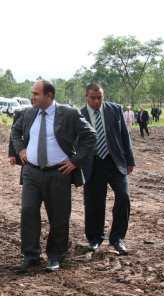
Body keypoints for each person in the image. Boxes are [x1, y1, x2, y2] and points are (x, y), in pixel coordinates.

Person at [11, 80, 95, 272]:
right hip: (31, 172)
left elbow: (90, 136)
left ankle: (55, 255)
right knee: (28, 211)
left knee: (59, 217)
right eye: (32, 93)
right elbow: (15, 131)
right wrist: (20, 149)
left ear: (49, 96)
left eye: (36, 94)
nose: (32, 97)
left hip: (58, 173)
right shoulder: (28, 113)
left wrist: (75, 161)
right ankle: (31, 255)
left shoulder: (69, 114)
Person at [80, 84, 135, 255]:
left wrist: (130, 160)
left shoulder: (115, 110)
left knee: (123, 196)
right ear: (86, 97)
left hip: (115, 162)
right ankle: (95, 238)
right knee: (94, 202)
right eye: (93, 98)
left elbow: (125, 136)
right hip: (93, 163)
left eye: (100, 97)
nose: (97, 101)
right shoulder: (79, 115)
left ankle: (117, 238)